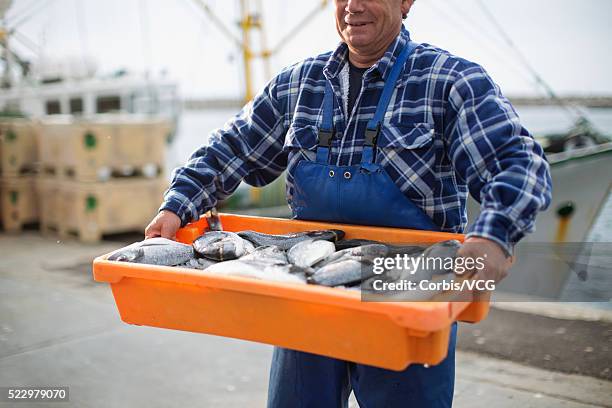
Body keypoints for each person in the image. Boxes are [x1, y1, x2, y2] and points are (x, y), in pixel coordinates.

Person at [146, 0, 552, 406]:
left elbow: (517, 165)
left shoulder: (451, 80)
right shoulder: (298, 83)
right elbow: (229, 148)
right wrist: (177, 205)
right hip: (305, 298)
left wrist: (494, 237)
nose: (353, 5)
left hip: (406, 300)